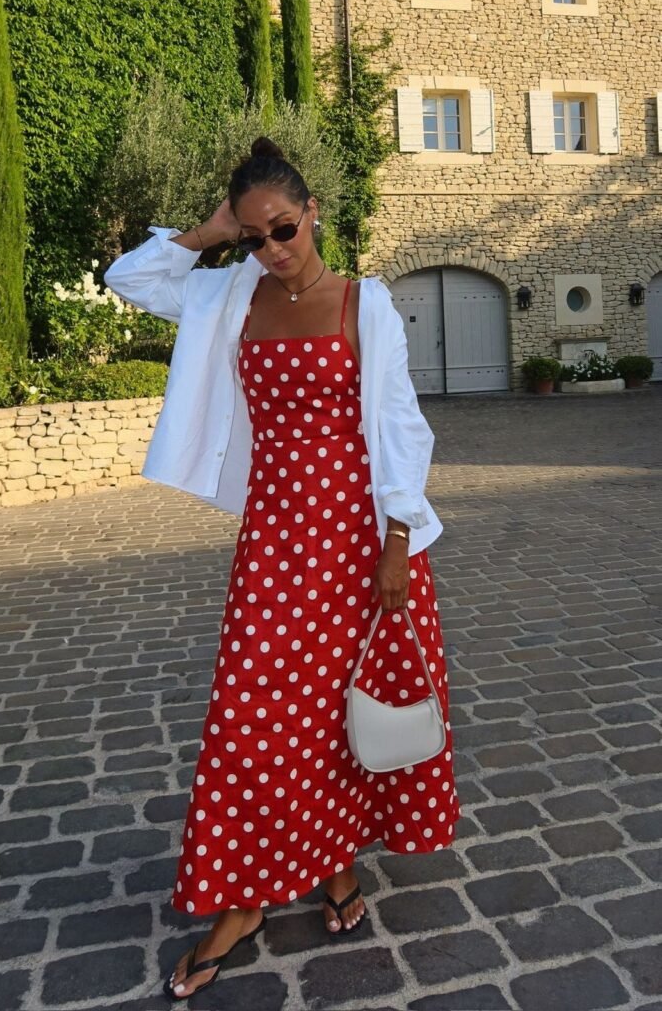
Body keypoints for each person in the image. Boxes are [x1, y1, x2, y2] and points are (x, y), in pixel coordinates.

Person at [104, 137, 460, 1002]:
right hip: (274, 544)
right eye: (255, 234)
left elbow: (402, 432)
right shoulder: (229, 294)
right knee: (253, 715)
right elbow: (130, 281)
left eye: (285, 228)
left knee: (340, 714)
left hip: (356, 543)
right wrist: (212, 228)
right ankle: (241, 901)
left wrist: (397, 548)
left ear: (316, 216)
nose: (273, 248)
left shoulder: (365, 306)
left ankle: (331, 861)